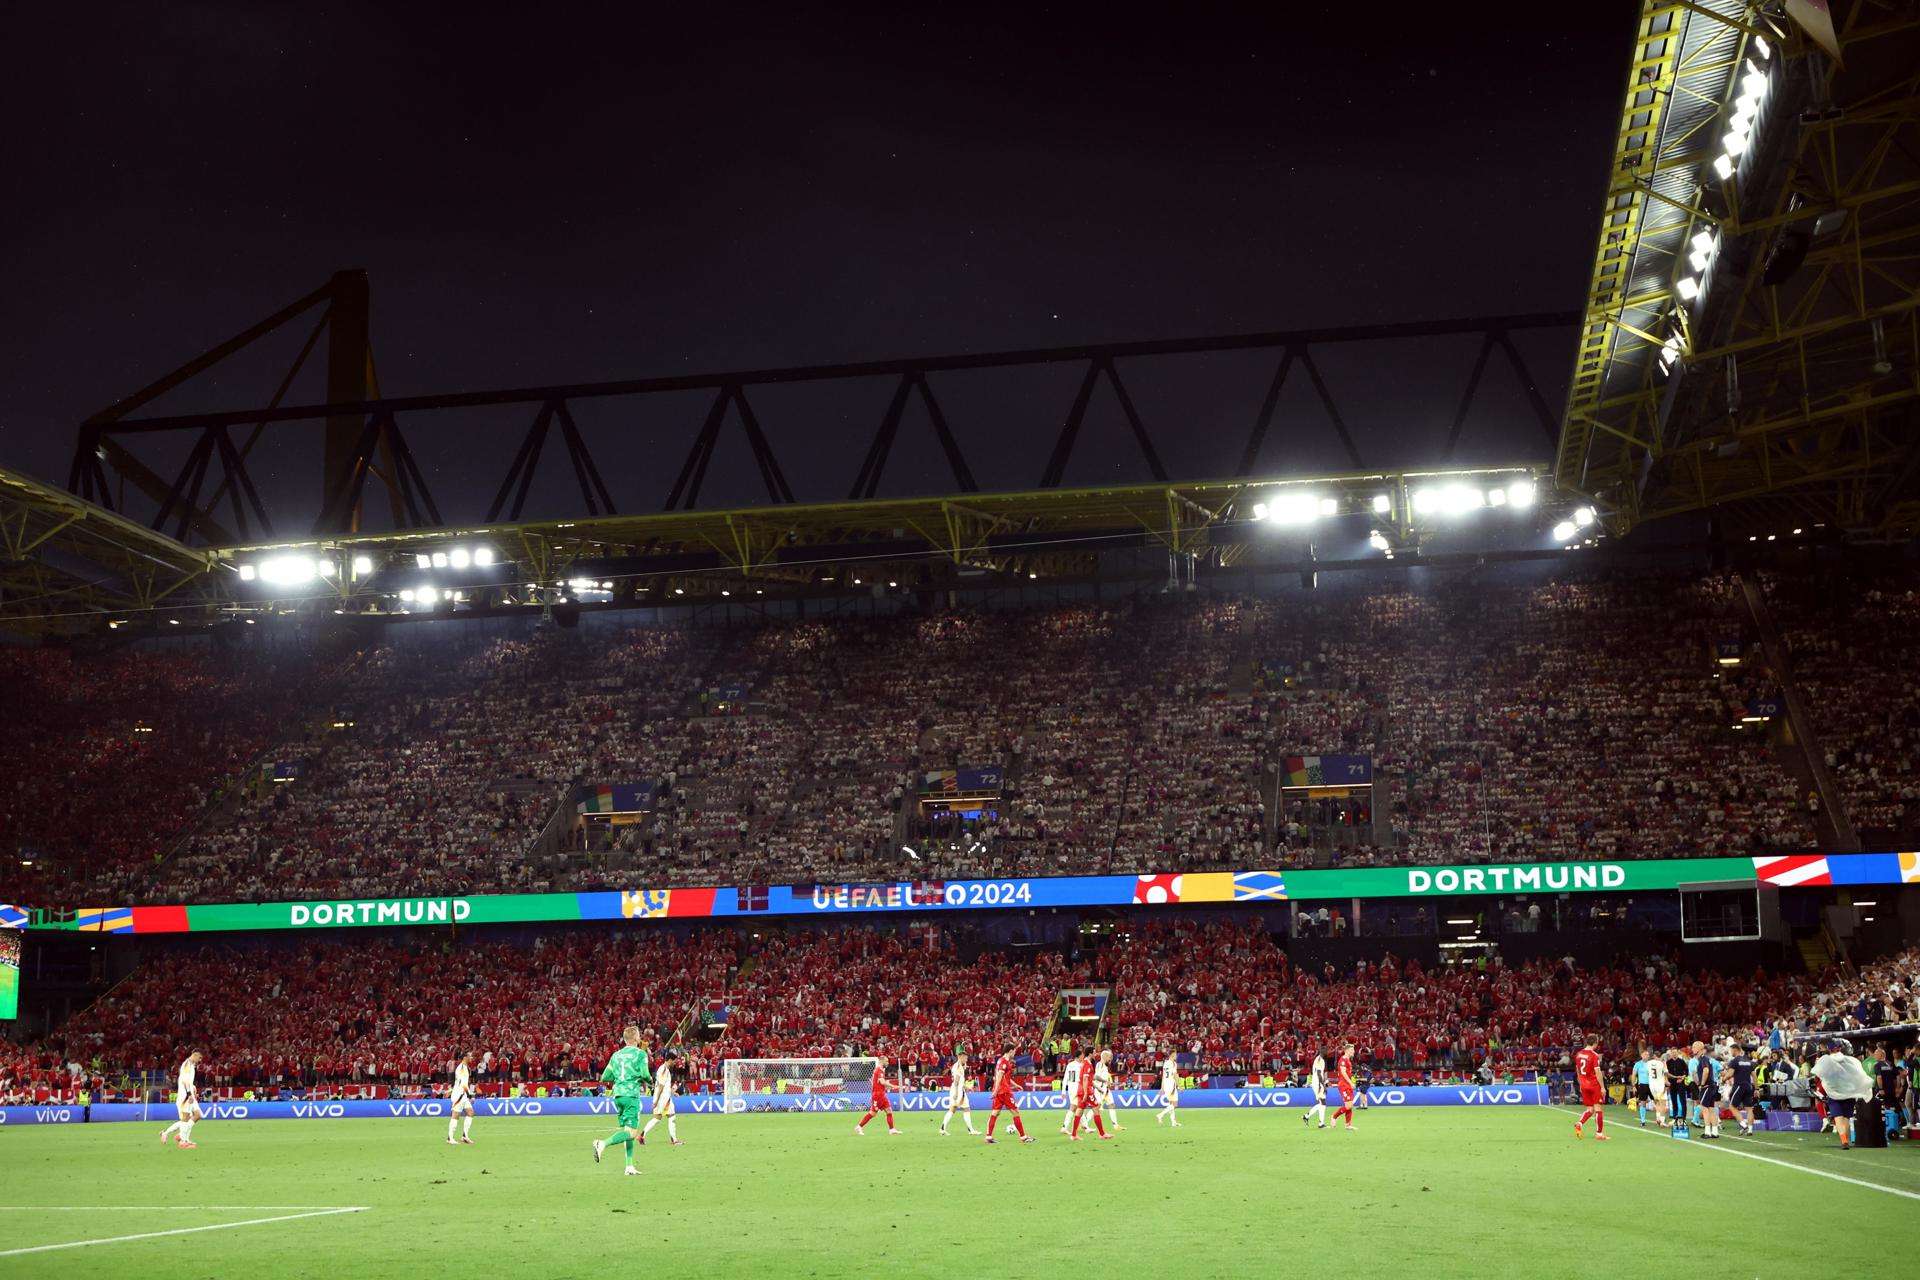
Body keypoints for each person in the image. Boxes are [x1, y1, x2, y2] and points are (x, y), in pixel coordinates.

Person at [592, 1025, 652, 1176]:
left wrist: (620, 1078)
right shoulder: (640, 1054)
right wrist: (650, 1080)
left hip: (618, 1096)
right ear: (636, 1038)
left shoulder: (616, 1055)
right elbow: (645, 1075)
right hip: (631, 1095)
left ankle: (629, 1166)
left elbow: (605, 1077)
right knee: (631, 1133)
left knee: (627, 1131)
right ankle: (602, 1143)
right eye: (639, 1036)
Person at [1810, 1040, 1875, 1151]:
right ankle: (1845, 1140)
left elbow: (1817, 1074)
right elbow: (1859, 1075)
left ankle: (1844, 1140)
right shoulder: (1851, 1060)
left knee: (1838, 1117)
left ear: (1829, 1049)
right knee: (1845, 1118)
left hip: (1835, 1094)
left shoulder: (1826, 1060)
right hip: (1849, 1093)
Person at [983, 1047, 1034, 1144]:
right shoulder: (1004, 1062)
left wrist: (1016, 1085)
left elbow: (1006, 1077)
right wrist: (996, 1090)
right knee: (1015, 1112)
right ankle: (1023, 1137)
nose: (1014, 1053)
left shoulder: (1001, 1061)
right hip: (1004, 1092)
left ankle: (988, 1136)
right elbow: (999, 1077)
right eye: (1014, 1051)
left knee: (995, 1113)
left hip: (1000, 1091)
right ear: (1010, 1051)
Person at [158, 1050, 204, 1149]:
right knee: (185, 1118)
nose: (199, 1061)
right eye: (199, 1059)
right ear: (195, 1056)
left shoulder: (191, 1065)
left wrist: (193, 1087)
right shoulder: (187, 1064)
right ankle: (183, 1141)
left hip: (190, 1093)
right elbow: (185, 1080)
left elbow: (187, 1080)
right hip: (185, 1096)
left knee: (198, 1115)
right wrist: (188, 1093)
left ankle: (175, 1135)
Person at [642, 1048, 684, 1146]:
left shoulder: (665, 1069)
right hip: (662, 1099)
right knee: (660, 1117)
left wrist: (673, 1092)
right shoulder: (664, 1069)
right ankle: (642, 1135)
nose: (675, 1063)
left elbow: (665, 1086)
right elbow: (660, 1086)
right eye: (674, 1061)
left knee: (668, 1116)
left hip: (665, 1098)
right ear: (670, 1060)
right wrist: (656, 1100)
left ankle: (674, 1139)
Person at [1067, 1048, 1109, 1140]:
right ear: (1090, 1054)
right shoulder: (1087, 1064)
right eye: (1094, 1052)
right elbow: (1085, 1079)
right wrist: (1086, 1093)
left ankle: (1073, 1135)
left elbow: (1092, 1077)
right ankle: (1102, 1134)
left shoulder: (1087, 1063)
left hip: (1081, 1090)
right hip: (1087, 1091)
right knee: (1096, 1109)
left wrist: (1103, 1081)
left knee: (1079, 1111)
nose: (1095, 1053)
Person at [1571, 1035, 1608, 1140]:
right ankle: (1599, 1134)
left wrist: (1580, 1081)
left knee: (1590, 1109)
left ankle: (1579, 1123)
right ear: (1595, 1043)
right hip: (1593, 1085)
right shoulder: (1594, 1055)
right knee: (1598, 1109)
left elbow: (1577, 1069)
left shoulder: (1579, 1054)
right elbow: (1597, 1072)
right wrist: (1602, 1087)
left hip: (1583, 1084)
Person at [938, 1049, 979, 1136]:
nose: (966, 1060)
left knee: (961, 1109)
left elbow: (959, 1081)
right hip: (957, 1091)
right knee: (957, 1109)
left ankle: (970, 1129)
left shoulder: (958, 1065)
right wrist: (957, 1092)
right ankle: (943, 1129)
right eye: (965, 1058)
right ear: (960, 1057)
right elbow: (956, 1081)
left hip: (959, 1090)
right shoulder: (958, 1067)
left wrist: (966, 1087)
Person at [856, 1053, 898, 1135]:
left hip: (882, 1094)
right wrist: (893, 1086)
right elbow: (882, 1082)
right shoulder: (879, 1070)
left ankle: (892, 1129)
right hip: (878, 1095)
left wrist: (888, 1087)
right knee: (873, 1113)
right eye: (886, 1061)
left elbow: (879, 1083)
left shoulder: (880, 1070)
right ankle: (859, 1127)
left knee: (889, 1111)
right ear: (882, 1061)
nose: (888, 1063)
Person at [447, 1051, 476, 1146]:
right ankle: (450, 1138)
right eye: (470, 1056)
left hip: (463, 1095)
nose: (472, 1057)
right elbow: (463, 1084)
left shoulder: (465, 1067)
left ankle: (464, 1136)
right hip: (459, 1094)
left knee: (470, 1112)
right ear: (465, 1057)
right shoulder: (462, 1068)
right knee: (456, 1115)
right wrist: (470, 1095)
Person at [1727, 1044, 1757, 1137]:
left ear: (1735, 1050)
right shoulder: (1748, 1061)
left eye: (1731, 1050)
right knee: (1749, 1109)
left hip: (1739, 1086)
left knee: (1732, 1107)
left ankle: (1744, 1125)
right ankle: (1750, 1130)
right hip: (1748, 1086)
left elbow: (1730, 1074)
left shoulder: (1735, 1060)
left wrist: (1724, 1078)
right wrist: (1756, 1089)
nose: (1730, 1052)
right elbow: (1754, 1076)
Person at [1694, 1044, 1723, 1139]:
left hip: (1707, 1086)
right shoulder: (1704, 1059)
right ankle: (1715, 1132)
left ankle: (1707, 1132)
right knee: (1711, 1109)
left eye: (1694, 1047)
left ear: (1700, 1049)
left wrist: (1702, 1084)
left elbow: (1706, 1071)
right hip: (1712, 1086)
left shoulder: (1703, 1059)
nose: (1693, 1049)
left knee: (1704, 1108)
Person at [1094, 1048, 1124, 1133]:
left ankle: (1115, 1125)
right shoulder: (1100, 1065)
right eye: (1109, 1057)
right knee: (1097, 1108)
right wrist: (1104, 1082)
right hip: (1099, 1089)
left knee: (1111, 1105)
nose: (1110, 1059)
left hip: (1105, 1090)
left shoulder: (1105, 1066)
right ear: (1105, 1057)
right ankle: (1085, 1123)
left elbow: (1104, 1078)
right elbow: (1095, 1077)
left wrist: (1109, 1083)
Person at [1663, 1046, 1691, 1134]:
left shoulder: (1682, 1061)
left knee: (1683, 1101)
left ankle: (1684, 1118)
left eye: (1675, 1052)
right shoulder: (1668, 1062)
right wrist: (1668, 1081)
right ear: (1671, 1053)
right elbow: (1666, 1073)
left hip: (1680, 1083)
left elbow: (1686, 1072)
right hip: (1672, 1084)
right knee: (1674, 1101)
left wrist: (1682, 1078)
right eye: (1672, 1052)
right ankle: (1675, 1118)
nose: (1674, 1054)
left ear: (1677, 1053)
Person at [1330, 1044, 1358, 1131]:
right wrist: (1350, 1083)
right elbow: (1343, 1072)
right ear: (1347, 1051)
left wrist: (1351, 1082)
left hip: (1347, 1084)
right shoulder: (1343, 1059)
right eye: (1352, 1050)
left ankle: (1348, 1125)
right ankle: (1334, 1116)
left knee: (1350, 1105)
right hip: (1343, 1085)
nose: (1353, 1052)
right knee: (1348, 1105)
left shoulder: (1348, 1060)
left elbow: (1348, 1074)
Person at [1059, 1045, 1085, 1134]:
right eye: (1082, 1055)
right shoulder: (1081, 1065)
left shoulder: (1070, 1064)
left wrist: (1063, 1091)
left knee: (1079, 1106)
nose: (1083, 1056)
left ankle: (1084, 1125)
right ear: (1079, 1056)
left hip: (1071, 1088)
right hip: (1077, 1088)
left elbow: (1065, 1078)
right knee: (1075, 1107)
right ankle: (1065, 1127)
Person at [1154, 1049, 1182, 1128]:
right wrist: (1179, 1085)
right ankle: (1160, 1115)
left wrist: (1162, 1088)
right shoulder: (1173, 1063)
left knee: (1171, 1103)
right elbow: (1175, 1075)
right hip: (1171, 1084)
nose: (1176, 1056)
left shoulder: (1165, 1063)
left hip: (1166, 1084)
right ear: (1172, 1055)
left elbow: (1163, 1076)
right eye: (1175, 1054)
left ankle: (1173, 1122)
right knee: (1175, 1104)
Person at [1303, 1049, 1329, 1129]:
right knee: (1322, 1103)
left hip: (1317, 1082)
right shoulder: (1320, 1060)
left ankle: (1307, 1116)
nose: (1327, 1053)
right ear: (1323, 1052)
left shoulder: (1319, 1059)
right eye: (1326, 1051)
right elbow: (1318, 1073)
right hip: (1317, 1083)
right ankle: (1320, 1123)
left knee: (1322, 1103)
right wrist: (1322, 1085)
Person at [1631, 1049, 1653, 1126]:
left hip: (1652, 1085)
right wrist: (1633, 1085)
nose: (1646, 1056)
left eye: (1647, 1055)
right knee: (1643, 1102)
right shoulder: (1638, 1064)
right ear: (1641, 1055)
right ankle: (1643, 1121)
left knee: (1657, 1101)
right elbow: (1633, 1075)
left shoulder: (1651, 1064)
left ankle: (1660, 1119)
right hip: (1642, 1085)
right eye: (1645, 1054)